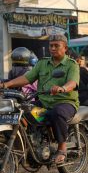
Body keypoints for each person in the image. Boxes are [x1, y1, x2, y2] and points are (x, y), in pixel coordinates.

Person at [2, 35, 79, 165]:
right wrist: (6, 85)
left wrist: (62, 88)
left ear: (65, 48)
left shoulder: (72, 65)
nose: (53, 48)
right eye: (51, 45)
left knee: (57, 112)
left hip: (66, 102)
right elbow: (27, 78)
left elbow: (73, 82)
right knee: (22, 109)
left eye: (56, 46)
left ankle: (62, 147)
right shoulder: (42, 63)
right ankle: (31, 144)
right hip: (44, 102)